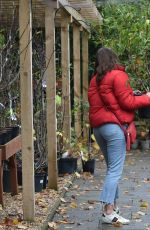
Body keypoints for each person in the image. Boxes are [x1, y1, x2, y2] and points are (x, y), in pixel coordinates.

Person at [88, 47, 150, 225]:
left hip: (98, 129)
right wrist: (147, 97)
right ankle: (108, 211)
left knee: (111, 169)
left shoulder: (94, 80)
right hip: (114, 128)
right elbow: (128, 102)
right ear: (113, 58)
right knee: (115, 171)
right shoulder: (118, 75)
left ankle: (112, 207)